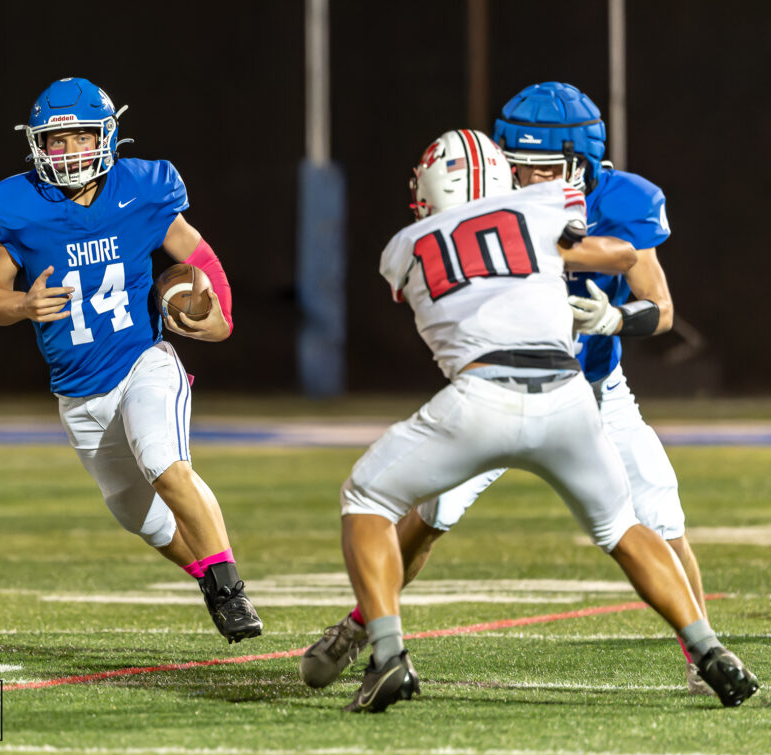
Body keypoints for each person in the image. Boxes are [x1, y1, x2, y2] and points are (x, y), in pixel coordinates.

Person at [315, 128, 757, 713]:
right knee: (623, 527)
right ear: (504, 175)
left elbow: (446, 276)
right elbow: (621, 255)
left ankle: (388, 653)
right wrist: (587, 264)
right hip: (565, 396)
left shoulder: (404, 247)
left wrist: (614, 319)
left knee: (368, 495)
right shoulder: (540, 211)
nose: (531, 174)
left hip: (496, 396)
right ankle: (710, 650)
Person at [0, 77, 262, 644]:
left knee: (164, 462)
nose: (70, 152)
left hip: (142, 362)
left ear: (106, 136)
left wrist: (218, 318)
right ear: (37, 146)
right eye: (57, 142)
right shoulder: (15, 204)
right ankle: (207, 575)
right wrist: (22, 303)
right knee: (140, 517)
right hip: (78, 391)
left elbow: (201, 258)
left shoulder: (145, 189)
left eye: (81, 138)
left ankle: (230, 591)